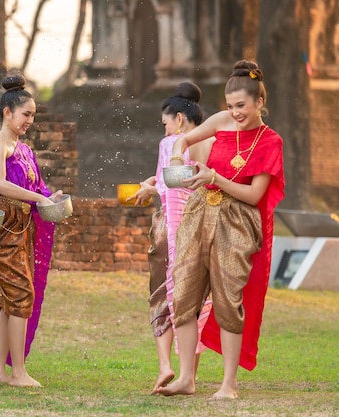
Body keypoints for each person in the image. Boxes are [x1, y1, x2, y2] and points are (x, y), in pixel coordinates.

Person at [157, 60, 285, 399]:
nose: (235, 113)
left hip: (237, 222)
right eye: (230, 106)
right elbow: (182, 142)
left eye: (241, 106)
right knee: (183, 291)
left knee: (228, 299)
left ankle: (228, 384)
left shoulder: (270, 141)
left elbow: (254, 194)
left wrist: (215, 177)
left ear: (259, 102)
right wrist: (176, 160)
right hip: (199, 212)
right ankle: (186, 378)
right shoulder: (220, 121)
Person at [0, 75, 60, 387]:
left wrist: (51, 197)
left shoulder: (24, 149)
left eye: (33, 115)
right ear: (7, 113)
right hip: (1, 228)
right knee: (21, 295)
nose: (30, 120)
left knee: (8, 300)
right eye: (26, 114)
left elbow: (36, 187)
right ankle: (18, 372)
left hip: (22, 227)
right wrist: (39, 198)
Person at [132, 82, 214, 394]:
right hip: (203, 224)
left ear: (179, 118)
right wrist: (153, 186)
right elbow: (199, 181)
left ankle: (167, 366)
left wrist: (149, 189)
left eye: (166, 121)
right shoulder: (211, 139)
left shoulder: (171, 143)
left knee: (164, 294)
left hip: (172, 225)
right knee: (197, 298)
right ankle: (188, 374)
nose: (165, 128)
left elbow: (168, 185)